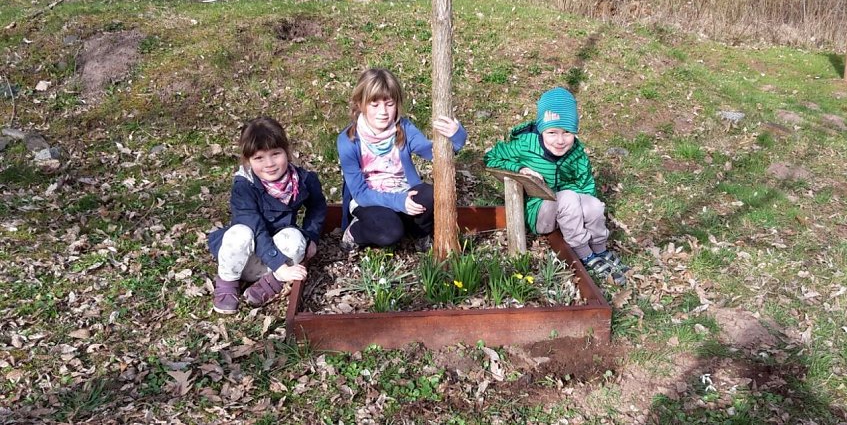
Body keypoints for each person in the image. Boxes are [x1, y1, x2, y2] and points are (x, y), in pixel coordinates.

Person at [484, 87, 628, 285]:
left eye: (567, 132)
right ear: (542, 129)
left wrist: (584, 211)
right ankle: (584, 254)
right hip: (539, 211)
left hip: (568, 211)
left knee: (593, 204)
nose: (560, 141)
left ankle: (600, 248)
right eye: (552, 132)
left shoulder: (576, 153)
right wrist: (520, 167)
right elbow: (491, 158)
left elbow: (586, 186)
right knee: (568, 197)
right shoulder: (525, 145)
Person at [337, 68, 467, 251]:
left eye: (389, 104)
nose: (383, 112)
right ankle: (355, 233)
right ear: (360, 104)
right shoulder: (348, 140)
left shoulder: (404, 128)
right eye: (374, 105)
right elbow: (360, 193)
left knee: (430, 194)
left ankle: (420, 234)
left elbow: (434, 153)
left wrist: (456, 135)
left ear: (397, 104)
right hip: (370, 200)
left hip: (405, 192)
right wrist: (398, 202)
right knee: (389, 232)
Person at [208, 117, 327, 314]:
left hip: (275, 256)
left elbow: (317, 206)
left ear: (287, 152)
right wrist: (279, 266)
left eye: (275, 154)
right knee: (240, 233)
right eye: (259, 158)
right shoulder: (244, 186)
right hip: (244, 257)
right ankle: (227, 283)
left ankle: (268, 284)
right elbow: (255, 229)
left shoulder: (302, 180)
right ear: (248, 161)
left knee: (297, 238)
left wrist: (312, 235)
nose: (269, 164)